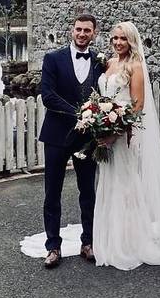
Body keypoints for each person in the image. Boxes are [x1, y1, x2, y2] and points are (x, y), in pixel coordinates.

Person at [24, 14, 106, 269]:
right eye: (79, 29)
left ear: (94, 33)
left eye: (87, 31)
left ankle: (88, 242)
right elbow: (47, 96)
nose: (82, 34)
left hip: (86, 139)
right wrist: (79, 113)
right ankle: (53, 247)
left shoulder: (100, 62)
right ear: (72, 31)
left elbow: (105, 95)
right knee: (52, 192)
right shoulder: (53, 59)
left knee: (88, 192)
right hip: (57, 136)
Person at [93, 21, 160, 270]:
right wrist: (97, 121)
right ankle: (109, 238)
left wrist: (114, 133)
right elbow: (102, 99)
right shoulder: (108, 63)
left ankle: (128, 242)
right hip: (106, 132)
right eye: (115, 38)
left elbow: (137, 108)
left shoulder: (135, 66)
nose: (118, 43)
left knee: (126, 185)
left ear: (131, 41)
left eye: (123, 39)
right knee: (109, 182)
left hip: (125, 135)